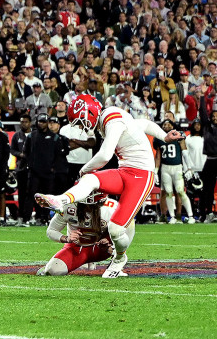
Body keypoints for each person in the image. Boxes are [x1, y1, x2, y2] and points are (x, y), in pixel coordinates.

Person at [37, 95, 183, 278]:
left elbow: (105, 155)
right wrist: (164, 135)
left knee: (115, 228)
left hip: (142, 175)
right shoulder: (110, 120)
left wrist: (84, 169)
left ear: (88, 113)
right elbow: (143, 125)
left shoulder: (110, 116)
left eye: (80, 122)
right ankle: (59, 199)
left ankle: (119, 259)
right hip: (124, 170)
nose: (81, 127)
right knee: (90, 181)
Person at [36, 193, 117, 276]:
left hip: (102, 250)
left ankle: (117, 264)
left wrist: (110, 242)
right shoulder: (68, 207)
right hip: (76, 249)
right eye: (84, 204)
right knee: (52, 271)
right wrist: (66, 238)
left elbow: (125, 232)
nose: (88, 208)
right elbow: (51, 230)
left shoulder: (111, 208)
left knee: (117, 242)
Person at [156, 119, 194, 224]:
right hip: (165, 168)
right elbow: (158, 156)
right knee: (168, 192)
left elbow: (185, 152)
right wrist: (155, 171)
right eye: (164, 124)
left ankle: (190, 216)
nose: (166, 126)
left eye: (169, 124)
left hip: (177, 167)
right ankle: (172, 217)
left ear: (173, 126)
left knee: (181, 192)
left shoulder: (178, 135)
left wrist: (189, 167)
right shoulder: (159, 138)